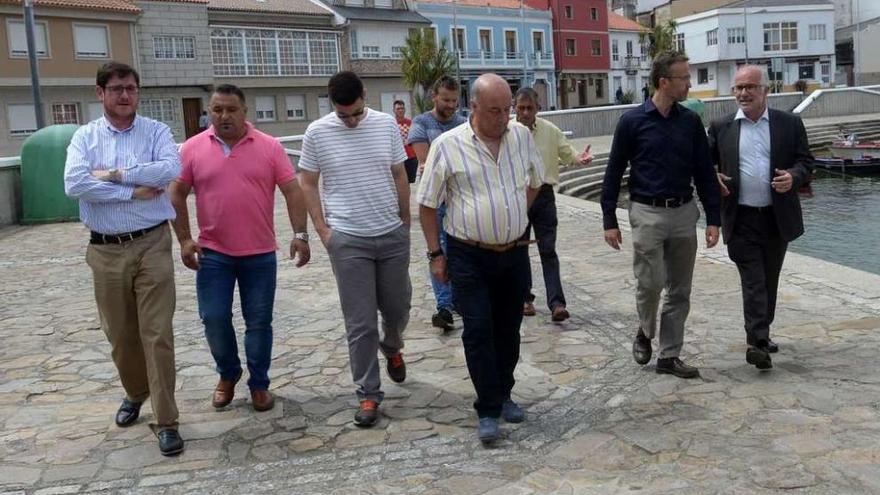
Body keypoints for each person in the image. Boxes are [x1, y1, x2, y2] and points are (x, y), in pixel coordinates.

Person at [63, 62, 184, 456]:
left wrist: (112, 175)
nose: (125, 95)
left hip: (152, 244)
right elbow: (75, 183)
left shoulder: (157, 131)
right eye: (116, 89)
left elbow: (169, 168)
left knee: (157, 333)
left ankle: (166, 420)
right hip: (104, 249)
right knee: (120, 335)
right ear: (100, 93)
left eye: (131, 88)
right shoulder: (85, 137)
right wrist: (131, 190)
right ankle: (136, 391)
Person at [418, 73, 544, 444]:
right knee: (477, 330)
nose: (504, 117)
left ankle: (504, 392)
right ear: (472, 108)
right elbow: (427, 206)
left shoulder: (520, 136)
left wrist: (516, 213)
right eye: (495, 110)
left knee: (509, 329)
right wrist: (435, 255)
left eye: (507, 109)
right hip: (467, 254)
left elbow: (536, 180)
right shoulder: (447, 145)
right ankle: (487, 408)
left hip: (514, 252)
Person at [169, 84, 311, 412]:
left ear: (245, 111)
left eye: (231, 109)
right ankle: (228, 373)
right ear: (209, 111)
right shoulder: (192, 148)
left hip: (259, 254)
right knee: (214, 318)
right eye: (217, 109)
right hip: (213, 253)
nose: (223, 116)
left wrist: (300, 235)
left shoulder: (269, 147)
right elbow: (176, 192)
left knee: (259, 321)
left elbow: (292, 190)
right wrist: (185, 239)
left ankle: (259, 383)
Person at [298, 71, 412, 427]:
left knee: (398, 309)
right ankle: (368, 395)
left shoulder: (385, 126)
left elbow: (399, 173)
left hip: (391, 234)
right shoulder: (317, 132)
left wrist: (405, 221)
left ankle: (392, 347)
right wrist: (321, 229)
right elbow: (307, 180)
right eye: (343, 114)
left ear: (365, 96)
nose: (350, 121)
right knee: (360, 323)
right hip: (348, 239)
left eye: (356, 113)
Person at [601, 51, 721, 379]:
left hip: (683, 212)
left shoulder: (690, 122)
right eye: (684, 78)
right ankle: (644, 331)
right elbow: (613, 173)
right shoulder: (631, 122)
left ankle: (669, 356)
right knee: (651, 283)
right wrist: (609, 220)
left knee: (680, 289)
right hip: (646, 212)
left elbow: (705, 172)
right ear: (664, 82)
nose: (689, 83)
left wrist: (713, 218)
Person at [708, 65, 813, 370]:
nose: (743, 93)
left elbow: (806, 162)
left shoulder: (789, 124)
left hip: (776, 218)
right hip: (740, 218)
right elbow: (703, 166)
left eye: (750, 87)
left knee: (768, 280)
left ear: (765, 90)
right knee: (753, 281)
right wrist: (712, 176)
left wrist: (793, 177)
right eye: (738, 88)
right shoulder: (721, 126)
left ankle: (762, 333)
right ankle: (757, 342)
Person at [513, 87, 593, 321]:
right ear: (514, 108)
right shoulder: (505, 132)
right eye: (521, 108)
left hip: (544, 196)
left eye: (530, 108)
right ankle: (524, 298)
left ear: (538, 108)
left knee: (548, 250)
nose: (525, 112)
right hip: (517, 197)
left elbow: (569, 155)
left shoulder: (550, 131)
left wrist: (581, 159)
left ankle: (557, 303)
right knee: (519, 251)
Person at [408, 76, 467, 332]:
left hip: (461, 197)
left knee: (460, 252)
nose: (451, 105)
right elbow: (427, 162)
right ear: (434, 97)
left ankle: (459, 300)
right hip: (435, 200)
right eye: (446, 100)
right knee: (439, 250)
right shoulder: (421, 124)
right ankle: (444, 307)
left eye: (454, 100)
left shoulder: (464, 123)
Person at [393, 100, 418, 183]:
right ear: (394, 110)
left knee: (409, 182)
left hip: (411, 157)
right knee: (398, 181)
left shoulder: (411, 123)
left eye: (402, 108)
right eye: (398, 108)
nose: (400, 110)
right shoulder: (391, 123)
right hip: (397, 157)